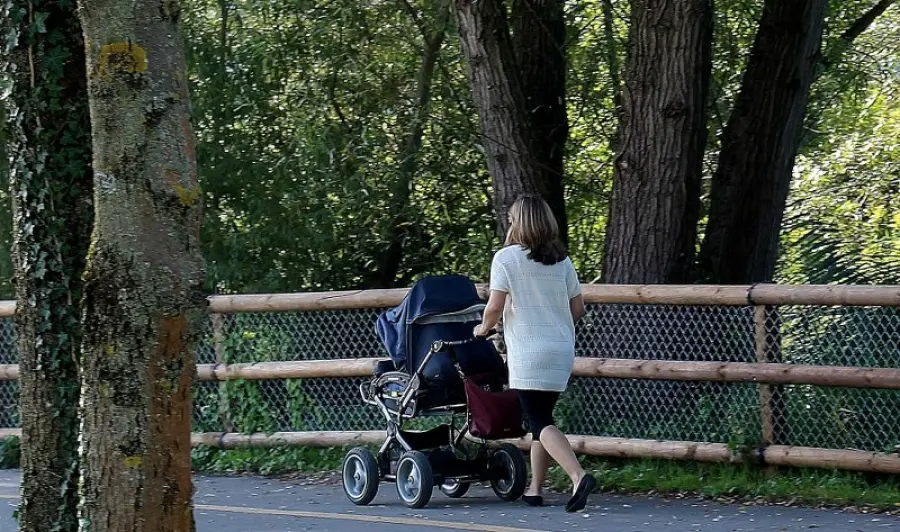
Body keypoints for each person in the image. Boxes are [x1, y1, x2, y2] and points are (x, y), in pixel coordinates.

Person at [474, 194, 596, 513]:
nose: (510, 223)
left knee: (538, 420)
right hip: (560, 349)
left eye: (513, 219)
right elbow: (578, 308)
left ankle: (577, 475)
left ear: (521, 223)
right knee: (542, 419)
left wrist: (482, 329)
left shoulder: (506, 258)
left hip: (529, 351)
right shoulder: (561, 260)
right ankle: (535, 489)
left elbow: (495, 307)